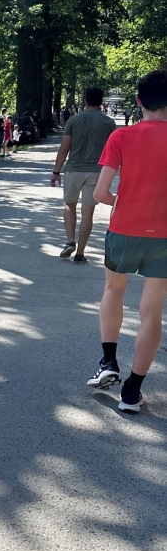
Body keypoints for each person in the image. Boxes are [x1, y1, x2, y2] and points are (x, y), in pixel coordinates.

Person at [87, 69, 167, 412]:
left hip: (123, 229)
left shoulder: (121, 137)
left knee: (113, 291)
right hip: (164, 236)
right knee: (152, 311)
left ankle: (108, 362)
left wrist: (123, 200)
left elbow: (100, 193)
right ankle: (132, 392)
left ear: (138, 101)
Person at [50, 87, 116, 263]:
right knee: (88, 212)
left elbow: (64, 148)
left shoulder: (74, 120)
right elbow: (112, 152)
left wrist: (56, 172)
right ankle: (80, 253)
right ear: (101, 101)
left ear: (86, 100)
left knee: (69, 205)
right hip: (96, 171)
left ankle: (70, 241)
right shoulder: (109, 123)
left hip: (74, 168)